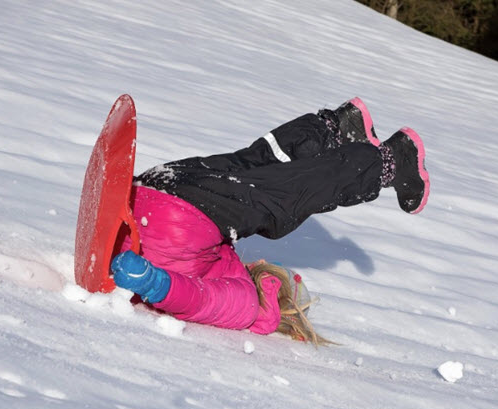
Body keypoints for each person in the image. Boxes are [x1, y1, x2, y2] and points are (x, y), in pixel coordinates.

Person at [110, 98, 430, 344]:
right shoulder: (231, 276)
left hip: (173, 208)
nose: (261, 260)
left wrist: (153, 282)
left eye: (270, 271)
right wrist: (147, 278)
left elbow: (196, 299)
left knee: (281, 190)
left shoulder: (249, 307)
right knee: (255, 171)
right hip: (155, 195)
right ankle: (342, 135)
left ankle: (366, 146)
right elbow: (198, 293)